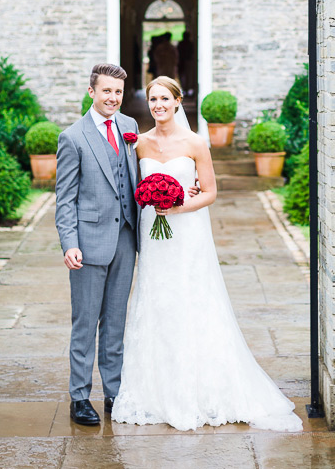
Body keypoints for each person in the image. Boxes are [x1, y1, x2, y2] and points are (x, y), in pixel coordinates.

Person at [112, 75, 302, 432]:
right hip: (153, 240)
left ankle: (201, 387)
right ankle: (157, 390)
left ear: (177, 102)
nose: (158, 106)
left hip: (187, 234)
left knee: (192, 299)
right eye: (152, 100)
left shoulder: (196, 143)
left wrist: (179, 207)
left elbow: (210, 193)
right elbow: (130, 187)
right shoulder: (138, 144)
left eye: (165, 99)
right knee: (157, 300)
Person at [55, 63, 197, 427]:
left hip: (126, 239)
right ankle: (79, 397)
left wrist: (184, 189)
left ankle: (114, 392)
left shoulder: (130, 128)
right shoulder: (73, 137)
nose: (113, 98)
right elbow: (65, 199)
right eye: (106, 91)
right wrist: (69, 243)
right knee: (85, 323)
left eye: (118, 92)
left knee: (115, 323)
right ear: (92, 92)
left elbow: (142, 174)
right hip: (87, 245)